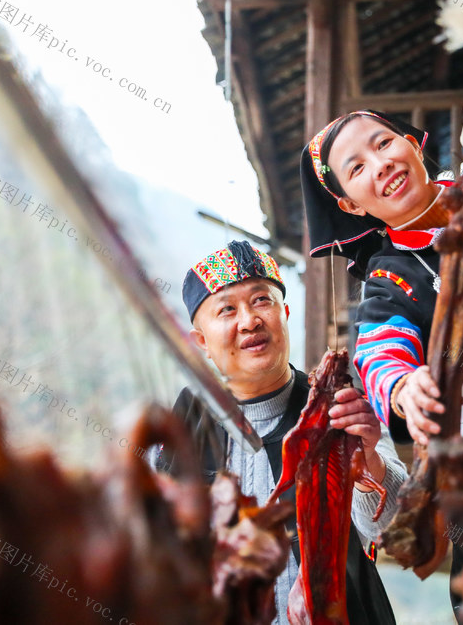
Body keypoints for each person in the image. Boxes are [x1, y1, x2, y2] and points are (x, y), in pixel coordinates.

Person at [152, 240, 407, 625]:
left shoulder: (339, 406)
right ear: (201, 342)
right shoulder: (177, 427)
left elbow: (394, 529)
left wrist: (368, 460)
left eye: (261, 301)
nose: (249, 321)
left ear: (285, 313)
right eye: (227, 309)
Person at [299, 110, 463, 618]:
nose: (380, 164)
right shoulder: (388, 282)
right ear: (349, 205)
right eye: (356, 168)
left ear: (412, 143)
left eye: (383, 143)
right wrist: (404, 387)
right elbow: (379, 351)